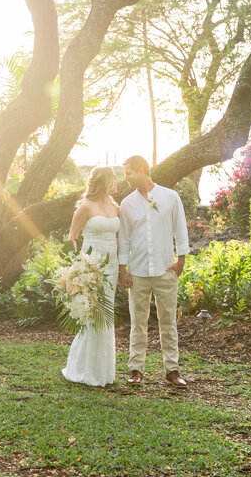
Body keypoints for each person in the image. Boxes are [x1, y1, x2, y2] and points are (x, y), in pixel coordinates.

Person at [117, 155, 190, 388]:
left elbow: (180, 228)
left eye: (128, 172)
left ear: (141, 170)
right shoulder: (127, 204)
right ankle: (136, 369)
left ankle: (172, 370)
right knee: (137, 322)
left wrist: (181, 260)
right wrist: (122, 269)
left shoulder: (170, 197)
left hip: (165, 269)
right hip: (137, 272)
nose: (125, 177)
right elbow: (125, 239)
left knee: (168, 322)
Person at [61, 166, 121, 387]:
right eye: (113, 178)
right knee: (94, 314)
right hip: (91, 266)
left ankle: (103, 371)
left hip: (111, 266)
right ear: (103, 181)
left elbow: (118, 238)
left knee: (106, 314)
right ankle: (83, 368)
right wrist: (79, 268)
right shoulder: (85, 207)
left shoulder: (116, 206)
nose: (116, 182)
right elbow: (72, 238)